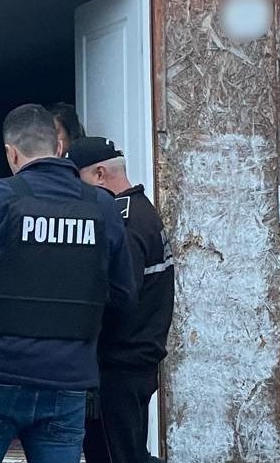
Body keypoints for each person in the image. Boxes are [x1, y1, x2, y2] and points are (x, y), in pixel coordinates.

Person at [0, 104, 135, 463]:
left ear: (11, 153)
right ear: (60, 147)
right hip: (66, 380)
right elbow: (124, 297)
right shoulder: (102, 207)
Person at [67, 137, 175, 463]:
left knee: (114, 455)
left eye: (76, 180)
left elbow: (119, 298)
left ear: (99, 174)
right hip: (135, 362)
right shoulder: (143, 211)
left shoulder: (123, 223)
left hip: (119, 367)